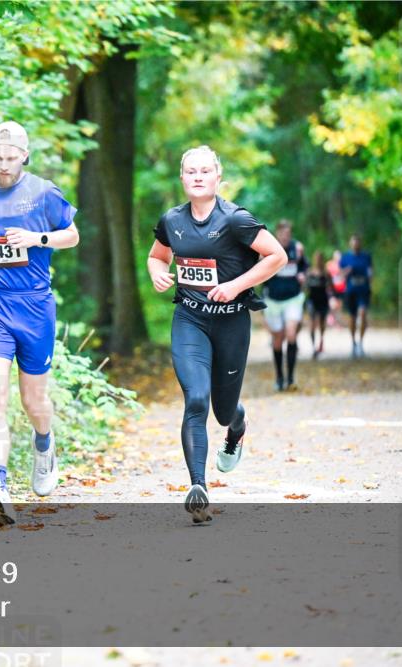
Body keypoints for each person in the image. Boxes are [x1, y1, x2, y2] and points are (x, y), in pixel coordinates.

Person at [146, 145, 287, 524]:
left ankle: (236, 428)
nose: (197, 176)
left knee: (224, 411)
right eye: (190, 171)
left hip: (230, 323)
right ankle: (199, 488)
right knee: (196, 399)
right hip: (190, 319)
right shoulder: (172, 220)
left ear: (217, 176)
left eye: (205, 171)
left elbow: (277, 256)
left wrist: (237, 286)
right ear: (182, 178)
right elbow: (157, 255)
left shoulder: (235, 219)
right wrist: (157, 271)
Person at [0, 121, 80, 527]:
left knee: (33, 402)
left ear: (24, 155)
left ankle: (45, 444)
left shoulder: (43, 192)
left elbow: (72, 235)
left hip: (35, 306)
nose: (4, 166)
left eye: (11, 158)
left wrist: (37, 239)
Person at [262, 221, 308, 390]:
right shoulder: (268, 247)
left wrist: (303, 274)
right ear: (277, 233)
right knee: (277, 339)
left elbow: (304, 267)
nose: (285, 237)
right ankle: (279, 377)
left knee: (291, 334)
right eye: (282, 234)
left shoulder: (298, 249)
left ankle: (290, 378)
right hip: (273, 299)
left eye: (288, 235)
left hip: (293, 298)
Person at [339, 234, 372, 358]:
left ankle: (361, 343)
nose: (356, 244)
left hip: (363, 289)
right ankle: (353, 342)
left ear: (360, 243)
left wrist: (370, 279)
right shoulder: (345, 258)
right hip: (351, 290)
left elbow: (370, 271)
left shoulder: (366, 257)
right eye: (354, 242)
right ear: (350, 243)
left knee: (363, 313)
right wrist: (346, 271)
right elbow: (340, 274)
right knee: (352, 317)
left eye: (358, 242)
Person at [305, 250, 332, 359]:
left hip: (323, 300)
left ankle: (321, 341)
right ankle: (313, 346)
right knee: (312, 323)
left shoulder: (326, 273)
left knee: (322, 323)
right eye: (316, 258)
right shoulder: (310, 272)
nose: (318, 261)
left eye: (320, 258)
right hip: (312, 300)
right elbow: (305, 287)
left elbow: (331, 287)